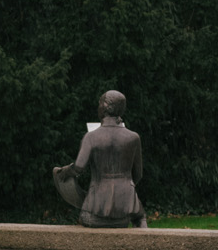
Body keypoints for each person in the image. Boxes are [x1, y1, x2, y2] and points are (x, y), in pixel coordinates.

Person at [52, 92, 147, 227]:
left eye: (100, 103)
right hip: (126, 207)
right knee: (140, 217)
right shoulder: (134, 137)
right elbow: (138, 174)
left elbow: (79, 167)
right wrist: (125, 189)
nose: (98, 106)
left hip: (95, 210)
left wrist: (65, 171)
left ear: (106, 107)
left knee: (86, 218)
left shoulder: (91, 137)